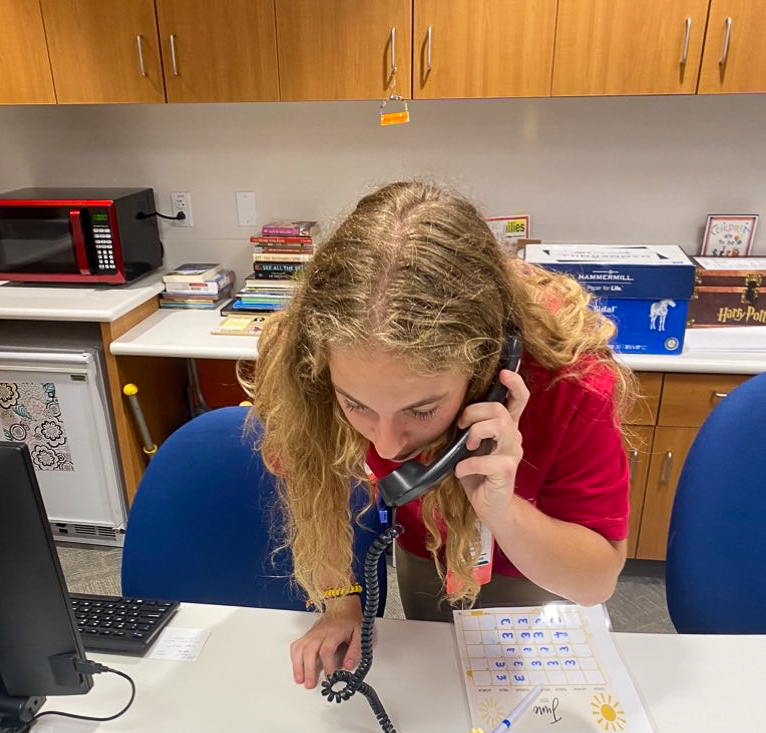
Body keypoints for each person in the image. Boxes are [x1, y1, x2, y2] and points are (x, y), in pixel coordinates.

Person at [243, 180, 635, 689]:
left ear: (489, 371)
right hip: (425, 545)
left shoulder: (571, 382)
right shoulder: (303, 360)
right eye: (355, 405)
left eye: (422, 409)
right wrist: (340, 601)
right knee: (435, 690)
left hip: (541, 566)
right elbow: (313, 486)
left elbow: (596, 580)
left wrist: (501, 509)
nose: (387, 447)